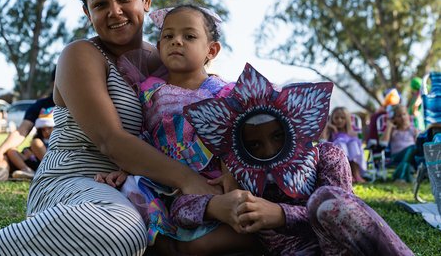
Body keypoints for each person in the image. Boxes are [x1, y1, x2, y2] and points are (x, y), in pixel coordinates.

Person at [0, 0, 220, 256]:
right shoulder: (81, 55)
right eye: (100, 4)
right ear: (88, 13)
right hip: (74, 182)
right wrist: (186, 179)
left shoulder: (167, 59)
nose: (114, 12)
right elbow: (110, 141)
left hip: (145, 186)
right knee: (122, 231)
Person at [174, 75, 414, 255]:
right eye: (254, 145)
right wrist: (217, 205)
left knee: (325, 198)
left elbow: (342, 209)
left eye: (277, 136)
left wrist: (281, 215)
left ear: (297, 127)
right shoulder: (240, 177)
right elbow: (180, 209)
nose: (268, 151)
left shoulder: (326, 154)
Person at [96, 5, 257, 255]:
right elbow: (144, 133)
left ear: (211, 50)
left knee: (237, 207)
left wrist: (229, 174)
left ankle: (213, 238)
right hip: (164, 177)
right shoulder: (150, 91)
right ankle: (168, 244)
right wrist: (123, 170)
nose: (176, 42)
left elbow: (231, 137)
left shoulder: (223, 93)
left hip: (211, 178)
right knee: (133, 187)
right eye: (168, 36)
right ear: (159, 47)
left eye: (189, 37)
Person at [0, 68, 56, 179]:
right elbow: (21, 131)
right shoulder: (42, 104)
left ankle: (52, 172)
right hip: (38, 157)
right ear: (54, 83)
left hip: (62, 158)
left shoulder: (80, 105)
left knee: (35, 144)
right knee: (5, 154)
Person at [321, 106, 367, 183]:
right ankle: (347, 174)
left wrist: (358, 135)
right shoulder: (331, 131)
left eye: (343, 118)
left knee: (353, 144)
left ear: (347, 120)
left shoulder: (351, 132)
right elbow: (323, 141)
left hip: (353, 156)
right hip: (338, 155)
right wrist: (327, 126)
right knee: (341, 143)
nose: (339, 120)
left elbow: (361, 139)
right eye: (336, 118)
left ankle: (356, 173)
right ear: (332, 119)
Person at [6, 108, 54, 179]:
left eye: (49, 128)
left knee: (36, 142)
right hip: (33, 161)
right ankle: (27, 170)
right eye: (43, 129)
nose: (46, 131)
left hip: (49, 163)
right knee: (11, 151)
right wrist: (30, 154)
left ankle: (50, 170)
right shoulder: (40, 138)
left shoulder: (59, 139)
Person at [380, 104, 419, 183]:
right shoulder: (393, 130)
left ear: (408, 115)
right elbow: (383, 143)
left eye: (404, 114)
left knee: (414, 149)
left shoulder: (413, 130)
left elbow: (418, 146)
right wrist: (389, 127)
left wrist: (417, 134)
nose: (403, 117)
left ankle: (400, 176)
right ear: (394, 119)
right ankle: (404, 176)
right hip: (396, 156)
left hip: (412, 156)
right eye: (399, 116)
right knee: (412, 148)